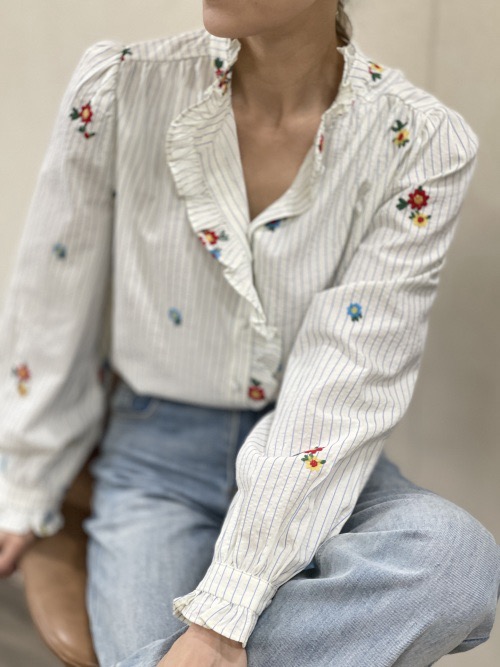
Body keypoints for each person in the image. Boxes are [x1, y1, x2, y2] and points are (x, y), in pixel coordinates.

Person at [1, 0, 499, 665]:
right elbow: (55, 288)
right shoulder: (123, 87)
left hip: (317, 455)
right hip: (155, 462)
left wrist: (218, 628)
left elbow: (347, 381)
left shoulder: (421, 144)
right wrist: (25, 478)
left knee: (455, 563)